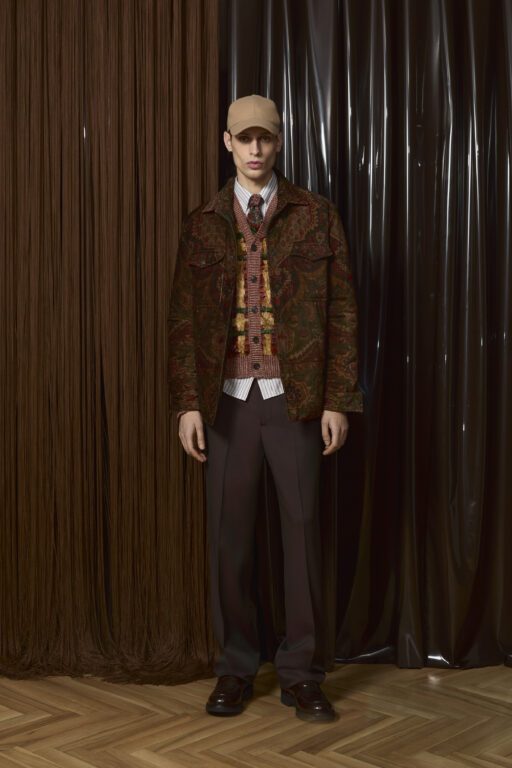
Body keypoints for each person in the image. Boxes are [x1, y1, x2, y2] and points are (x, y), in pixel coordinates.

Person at [168, 94, 362, 722]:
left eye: (266, 138)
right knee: (230, 542)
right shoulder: (202, 222)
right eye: (244, 138)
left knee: (302, 537)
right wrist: (187, 404)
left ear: (279, 142)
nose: (255, 149)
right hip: (225, 403)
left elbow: (342, 311)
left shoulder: (316, 215)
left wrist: (338, 399)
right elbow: (183, 319)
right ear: (227, 142)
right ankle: (235, 667)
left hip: (295, 400)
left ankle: (303, 673)